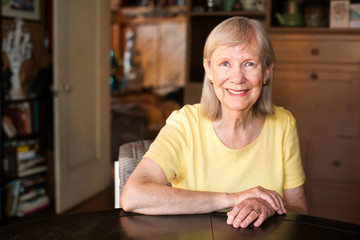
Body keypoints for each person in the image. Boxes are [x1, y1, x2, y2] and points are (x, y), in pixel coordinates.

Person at [120, 16, 307, 229]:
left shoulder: (284, 124)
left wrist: (272, 207)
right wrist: (232, 198)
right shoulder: (185, 124)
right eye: (225, 64)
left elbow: (299, 209)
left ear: (266, 71)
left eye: (249, 64)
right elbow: (133, 196)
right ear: (209, 70)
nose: (237, 78)